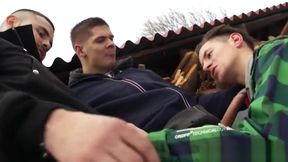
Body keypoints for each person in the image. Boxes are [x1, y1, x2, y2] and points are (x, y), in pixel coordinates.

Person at [0, 9, 160, 162]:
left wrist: (121, 132)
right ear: (12, 22)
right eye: (41, 33)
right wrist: (49, 123)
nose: (47, 44)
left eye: (50, 42)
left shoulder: (38, 70)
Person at [69, 17, 244, 132]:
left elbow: (193, 102)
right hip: (166, 146)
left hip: (208, 126)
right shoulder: (77, 97)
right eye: (101, 40)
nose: (111, 44)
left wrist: (244, 87)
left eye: (111, 38)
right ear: (80, 49)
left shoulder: (139, 73)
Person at [192, 24, 287, 161]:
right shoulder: (254, 91)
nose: (206, 67)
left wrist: (162, 145)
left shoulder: (276, 53)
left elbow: (270, 140)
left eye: (209, 54)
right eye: (203, 64)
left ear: (235, 40)